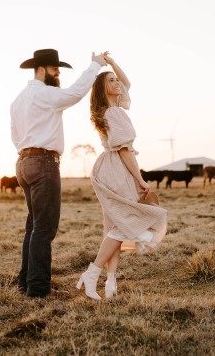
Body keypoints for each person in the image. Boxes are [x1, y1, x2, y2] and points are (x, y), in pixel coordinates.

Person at [11, 48, 107, 298]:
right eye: (54, 68)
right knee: (44, 229)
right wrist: (95, 65)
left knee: (33, 226)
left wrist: (28, 154)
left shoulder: (19, 99)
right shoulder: (45, 93)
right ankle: (39, 289)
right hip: (43, 162)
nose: (58, 72)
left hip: (23, 162)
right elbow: (75, 93)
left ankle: (27, 283)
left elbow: (15, 135)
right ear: (40, 69)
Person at [76, 54, 167, 300]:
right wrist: (140, 180)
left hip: (107, 167)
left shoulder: (110, 110)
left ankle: (109, 281)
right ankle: (94, 272)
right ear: (103, 88)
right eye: (112, 81)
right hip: (117, 168)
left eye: (117, 80)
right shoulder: (114, 114)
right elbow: (125, 150)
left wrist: (112, 63)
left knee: (114, 226)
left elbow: (127, 83)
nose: (118, 83)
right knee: (124, 223)